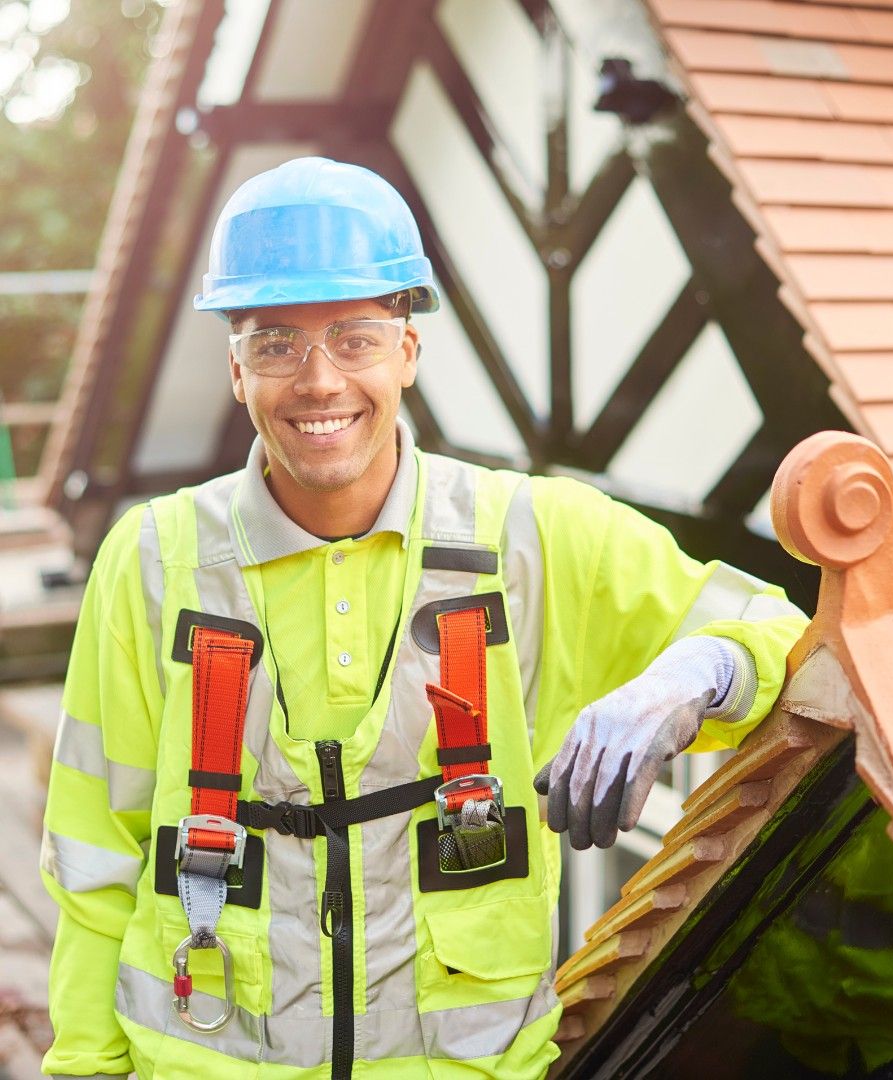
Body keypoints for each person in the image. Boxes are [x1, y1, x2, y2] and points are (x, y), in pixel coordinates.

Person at [40, 157, 807, 1079]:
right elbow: (94, 854)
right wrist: (83, 1066)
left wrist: (690, 677)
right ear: (236, 368)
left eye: (356, 337)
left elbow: (778, 627)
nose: (319, 381)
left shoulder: (533, 539)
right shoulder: (155, 559)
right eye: (276, 342)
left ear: (408, 349)